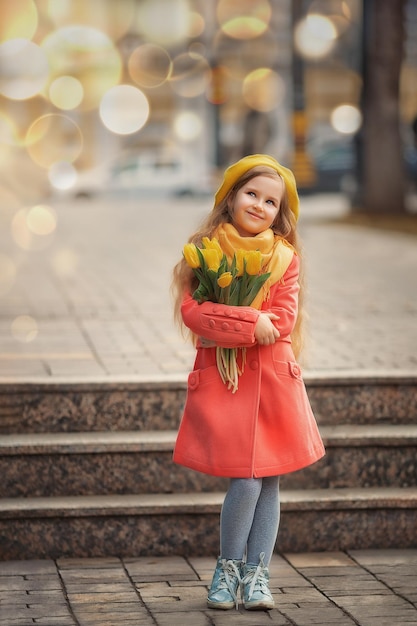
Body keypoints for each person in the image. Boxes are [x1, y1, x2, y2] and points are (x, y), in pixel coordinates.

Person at [171, 154, 325, 611]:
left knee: (268, 480)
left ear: (281, 212)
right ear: (231, 197)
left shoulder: (285, 259)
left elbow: (280, 321)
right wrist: (249, 320)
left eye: (271, 201)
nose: (259, 205)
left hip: (274, 384)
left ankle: (256, 575)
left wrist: (254, 320)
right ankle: (227, 568)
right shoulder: (203, 251)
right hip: (227, 382)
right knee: (246, 479)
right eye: (251, 193)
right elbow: (196, 315)